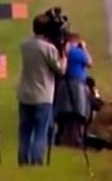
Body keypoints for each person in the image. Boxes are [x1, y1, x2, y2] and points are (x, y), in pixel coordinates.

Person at [17, 15, 69, 165]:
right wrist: (64, 56)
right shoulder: (49, 48)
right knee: (41, 131)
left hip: (25, 93)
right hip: (42, 95)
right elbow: (60, 70)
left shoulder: (25, 44)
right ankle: (36, 160)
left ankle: (23, 160)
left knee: (25, 131)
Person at [55, 32, 93, 147]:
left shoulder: (64, 52)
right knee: (78, 112)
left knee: (66, 111)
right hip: (77, 83)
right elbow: (89, 63)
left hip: (64, 83)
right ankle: (76, 139)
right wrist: (84, 48)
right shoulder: (77, 52)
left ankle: (63, 137)